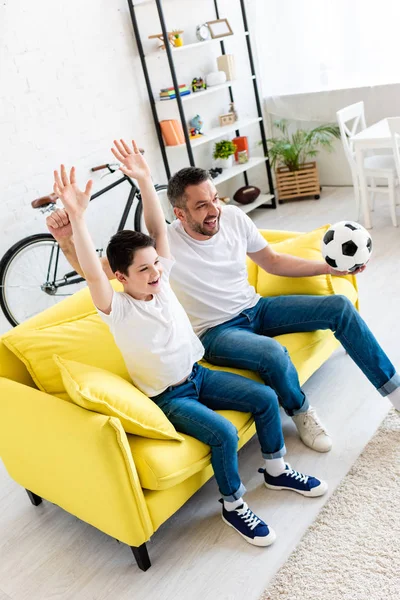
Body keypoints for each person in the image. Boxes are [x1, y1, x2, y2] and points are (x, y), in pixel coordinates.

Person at [51, 141, 327, 549]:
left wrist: (144, 179)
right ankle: (234, 506)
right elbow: (93, 274)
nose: (156, 273)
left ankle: (276, 469)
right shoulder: (118, 307)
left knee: (267, 399)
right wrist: (76, 218)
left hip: (198, 375)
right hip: (169, 397)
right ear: (122, 278)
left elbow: (158, 227)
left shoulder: (161, 283)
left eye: (157, 264)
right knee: (223, 435)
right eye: (144, 270)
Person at [48, 151, 400, 456]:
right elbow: (98, 273)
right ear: (180, 213)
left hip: (256, 307)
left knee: (338, 306)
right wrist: (67, 241)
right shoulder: (161, 249)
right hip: (217, 333)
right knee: (273, 354)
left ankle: (394, 394)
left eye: (214, 199)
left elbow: (273, 262)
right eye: (201, 205)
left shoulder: (233, 218)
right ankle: (302, 411)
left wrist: (329, 268)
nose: (213, 209)